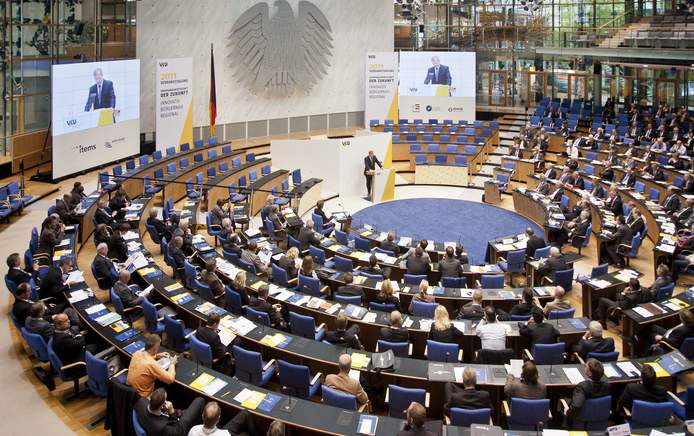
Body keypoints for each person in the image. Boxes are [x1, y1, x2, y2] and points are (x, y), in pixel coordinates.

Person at [134, 387, 204, 436]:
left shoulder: (140, 402)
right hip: (177, 427)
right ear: (162, 406)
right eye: (165, 400)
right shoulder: (163, 428)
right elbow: (178, 432)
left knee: (184, 412)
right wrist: (172, 412)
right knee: (200, 400)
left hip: (151, 422)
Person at [127, 334, 178, 398]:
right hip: (142, 397)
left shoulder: (137, 353)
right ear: (155, 348)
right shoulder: (151, 364)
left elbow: (146, 357)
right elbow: (170, 379)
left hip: (129, 391)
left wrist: (157, 356)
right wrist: (172, 364)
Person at [52, 313, 97, 378]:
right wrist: (79, 334)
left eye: (68, 319)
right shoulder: (62, 339)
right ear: (58, 325)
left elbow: (73, 336)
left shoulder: (58, 331)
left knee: (92, 336)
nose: (69, 321)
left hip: (73, 351)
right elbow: (80, 343)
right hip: (77, 363)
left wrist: (78, 334)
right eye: (65, 321)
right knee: (98, 345)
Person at [565, 359, 609, 423]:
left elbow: (576, 406)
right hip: (599, 418)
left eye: (586, 366)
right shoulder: (607, 385)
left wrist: (567, 412)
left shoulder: (582, 387)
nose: (585, 367)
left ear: (590, 373)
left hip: (581, 421)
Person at [188, 402, 256, 436]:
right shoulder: (225, 434)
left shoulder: (193, 430)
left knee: (245, 414)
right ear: (218, 419)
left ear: (202, 416)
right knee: (245, 433)